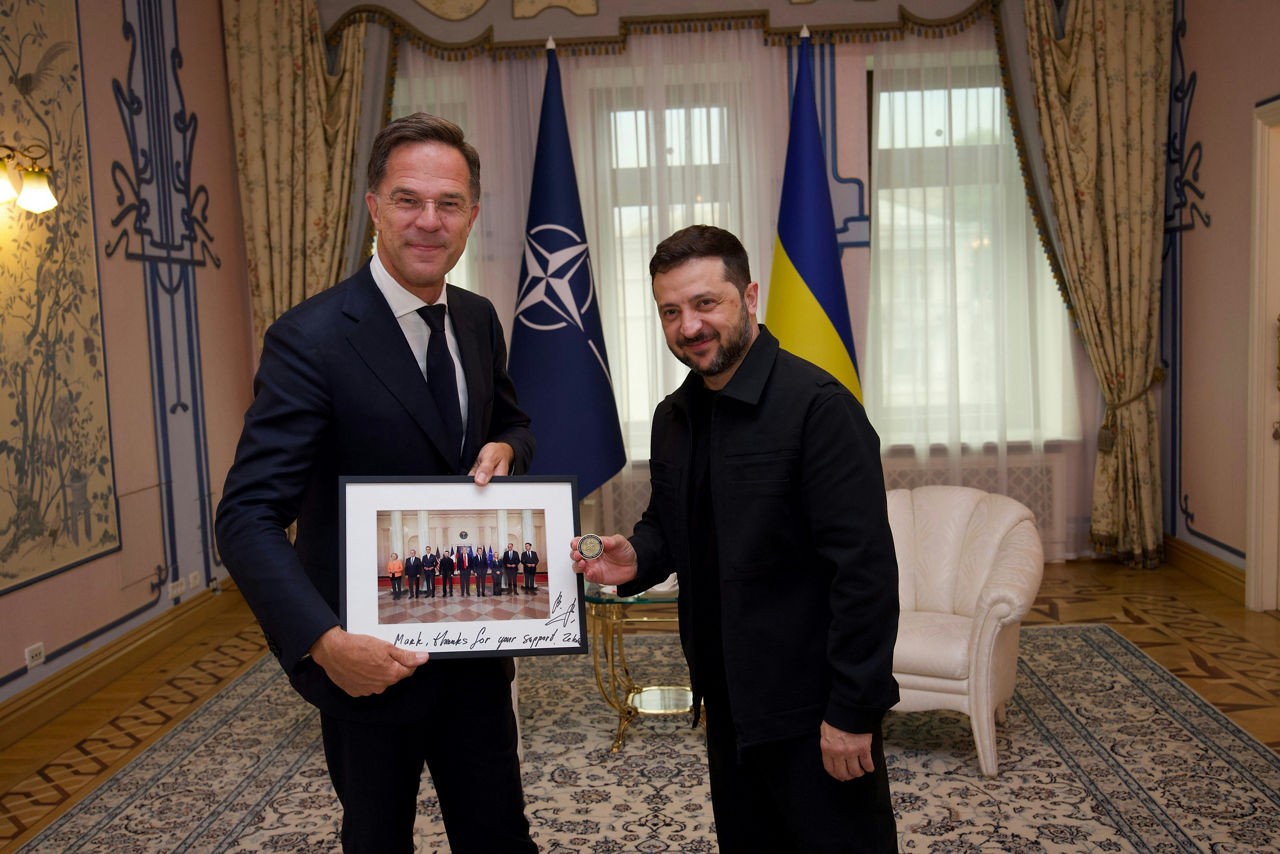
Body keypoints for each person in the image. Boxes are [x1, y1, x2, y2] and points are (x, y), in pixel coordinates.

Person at [215, 113, 538, 854]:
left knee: (499, 837)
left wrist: (507, 450)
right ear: (373, 207)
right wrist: (324, 643)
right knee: (377, 839)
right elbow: (247, 515)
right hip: (368, 664)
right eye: (407, 200)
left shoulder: (479, 320)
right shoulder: (310, 338)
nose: (429, 221)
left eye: (448, 203)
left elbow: (514, 425)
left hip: (477, 649)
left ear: (472, 216)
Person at [571, 225, 899, 853]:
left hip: (812, 711)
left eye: (705, 303)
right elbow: (669, 525)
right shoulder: (673, 416)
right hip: (724, 704)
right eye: (671, 311)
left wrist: (853, 712)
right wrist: (635, 556)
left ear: (749, 297)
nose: (689, 326)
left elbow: (865, 574)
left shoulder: (820, 409)